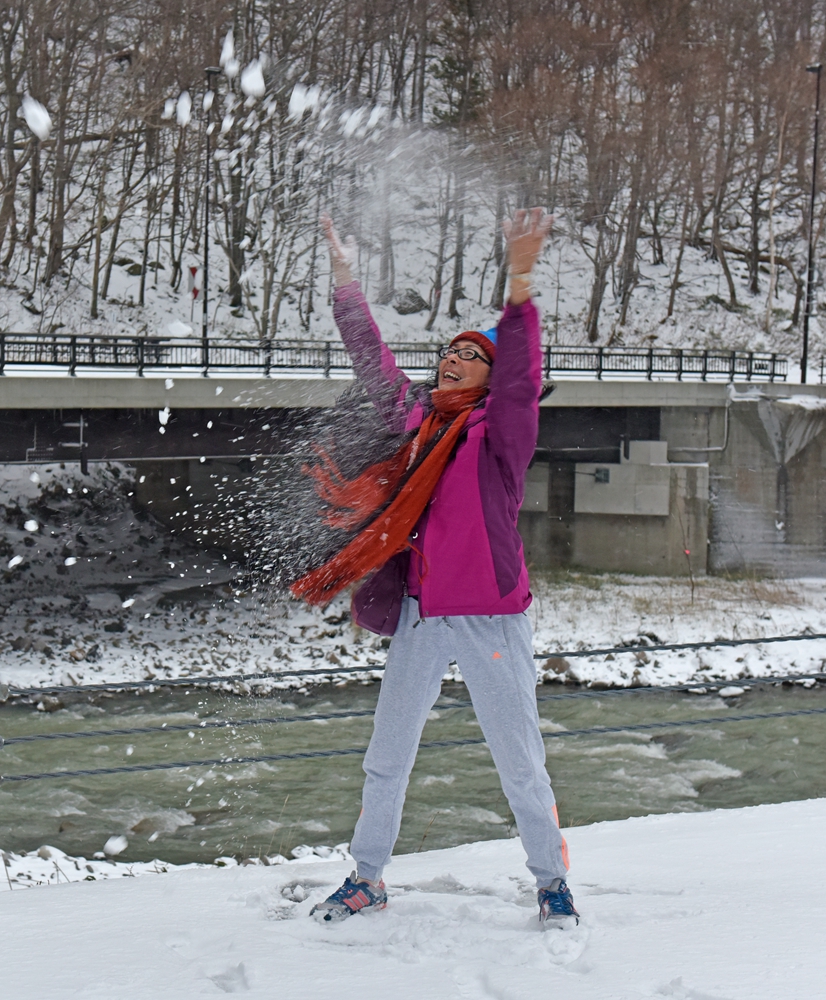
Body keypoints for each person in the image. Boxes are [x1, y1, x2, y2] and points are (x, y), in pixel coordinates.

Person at [293, 208, 578, 927]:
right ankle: (367, 877)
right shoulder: (418, 424)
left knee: (520, 764)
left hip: (490, 618)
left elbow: (521, 376)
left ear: (491, 379)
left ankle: (551, 883)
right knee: (386, 756)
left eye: (470, 357)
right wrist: (345, 282)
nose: (453, 361)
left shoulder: (501, 434)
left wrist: (519, 280)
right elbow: (373, 361)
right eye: (448, 353)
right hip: (421, 615)